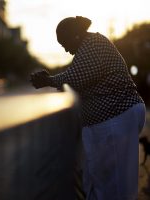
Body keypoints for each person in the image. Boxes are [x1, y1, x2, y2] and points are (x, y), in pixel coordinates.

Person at [30, 16, 146, 200]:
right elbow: (77, 78)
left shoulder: (94, 44)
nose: (66, 49)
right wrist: (52, 80)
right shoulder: (87, 47)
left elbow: (76, 77)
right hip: (113, 118)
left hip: (116, 116)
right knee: (106, 181)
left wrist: (49, 80)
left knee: (116, 186)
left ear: (75, 36)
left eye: (64, 42)